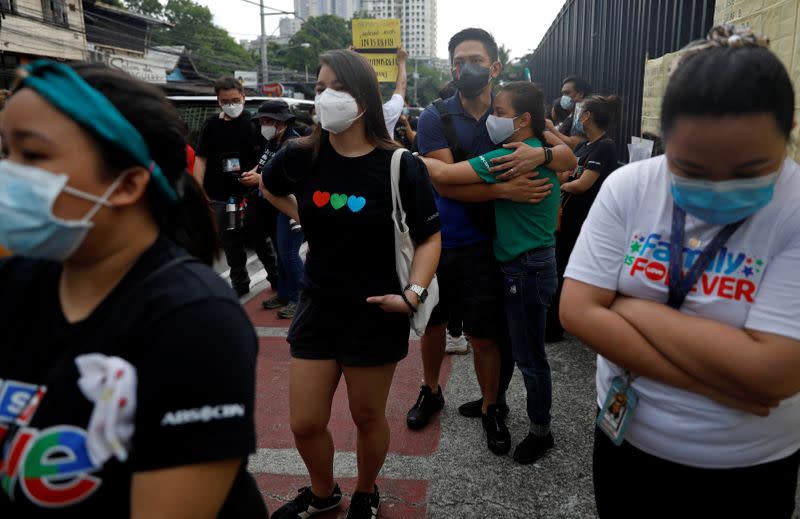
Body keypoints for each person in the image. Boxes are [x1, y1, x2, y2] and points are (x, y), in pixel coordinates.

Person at [0, 61, 265, 517]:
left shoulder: (195, 320)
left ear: (126, 184)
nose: (9, 172)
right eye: (5, 152)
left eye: (33, 156)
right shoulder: (16, 281)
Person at [560, 25, 800, 518]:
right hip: (627, 446)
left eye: (751, 168)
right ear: (664, 140)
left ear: (788, 139)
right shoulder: (630, 187)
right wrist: (721, 384)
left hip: (748, 468)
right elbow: (577, 313)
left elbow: (773, 370)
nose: (718, 187)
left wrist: (627, 306)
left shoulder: (794, 208)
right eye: (690, 168)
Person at [261, 50, 441, 519]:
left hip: (376, 312)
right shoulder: (301, 155)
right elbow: (268, 185)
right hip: (318, 306)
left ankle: (365, 490)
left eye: (335, 87)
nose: (324, 97)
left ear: (363, 97)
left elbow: (429, 237)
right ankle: (324, 494)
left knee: (366, 416)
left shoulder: (401, 165)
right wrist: (301, 215)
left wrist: (413, 294)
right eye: (319, 88)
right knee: (304, 423)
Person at [408, 27, 576, 457]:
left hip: (491, 246)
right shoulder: (435, 117)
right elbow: (443, 184)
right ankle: (431, 390)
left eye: (476, 60)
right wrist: (505, 190)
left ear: (494, 66)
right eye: (459, 61)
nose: (466, 68)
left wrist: (540, 156)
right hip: (441, 241)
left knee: (486, 336)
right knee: (434, 324)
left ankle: (491, 406)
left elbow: (567, 154)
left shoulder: (510, 114)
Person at [546, 95, 620, 342]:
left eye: (580, 112)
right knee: (560, 268)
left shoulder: (605, 146)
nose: (577, 116)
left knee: (565, 270)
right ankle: (555, 322)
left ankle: (555, 327)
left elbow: (582, 184)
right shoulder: (583, 146)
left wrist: (563, 186)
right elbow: (566, 175)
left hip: (582, 220)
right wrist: (565, 181)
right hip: (567, 219)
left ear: (587, 116)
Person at [194, 76, 272, 297]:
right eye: (226, 100)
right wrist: (198, 189)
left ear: (244, 98)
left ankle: (276, 279)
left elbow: (269, 155)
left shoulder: (256, 123)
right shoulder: (211, 125)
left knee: (259, 237)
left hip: (252, 194)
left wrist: (257, 173)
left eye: (235, 99)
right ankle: (240, 284)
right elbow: (201, 158)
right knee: (232, 238)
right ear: (218, 101)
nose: (231, 104)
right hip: (226, 198)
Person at [248, 100, 305, 319]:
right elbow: (264, 166)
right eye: (261, 121)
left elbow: (287, 178)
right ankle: (285, 293)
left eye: (267, 121)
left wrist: (258, 179)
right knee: (282, 254)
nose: (263, 125)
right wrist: (253, 174)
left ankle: (299, 299)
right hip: (276, 204)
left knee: (290, 254)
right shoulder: (273, 142)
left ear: (280, 122)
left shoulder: (293, 144)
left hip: (291, 205)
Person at [546, 76, 592, 150]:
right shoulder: (572, 114)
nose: (564, 97)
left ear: (580, 94)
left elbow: (575, 145)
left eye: (567, 93)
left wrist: (551, 128)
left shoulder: (583, 116)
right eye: (563, 94)